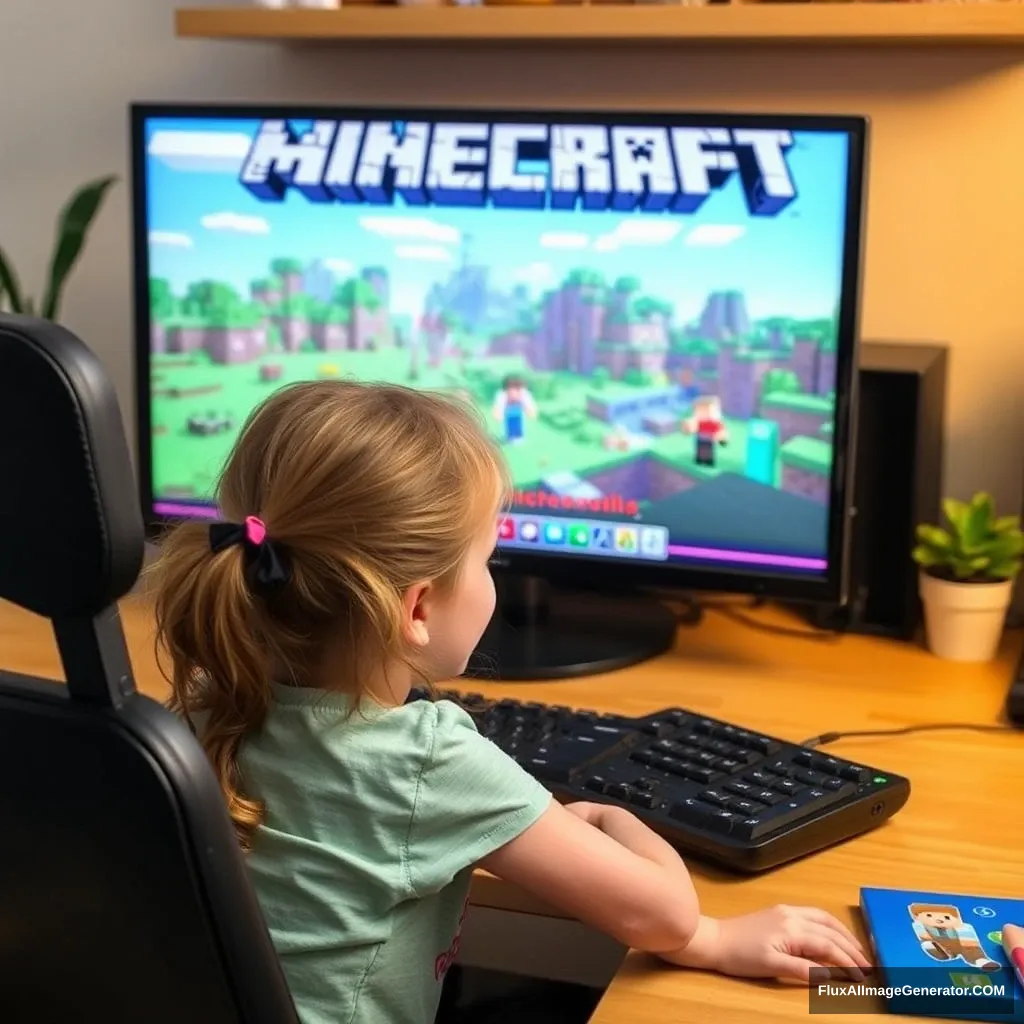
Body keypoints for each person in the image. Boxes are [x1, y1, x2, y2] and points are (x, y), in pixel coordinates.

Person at [147, 380, 870, 1024]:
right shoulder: (427, 759)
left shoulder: (208, 709)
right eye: (486, 560)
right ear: (419, 608)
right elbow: (663, 914)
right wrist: (605, 822)